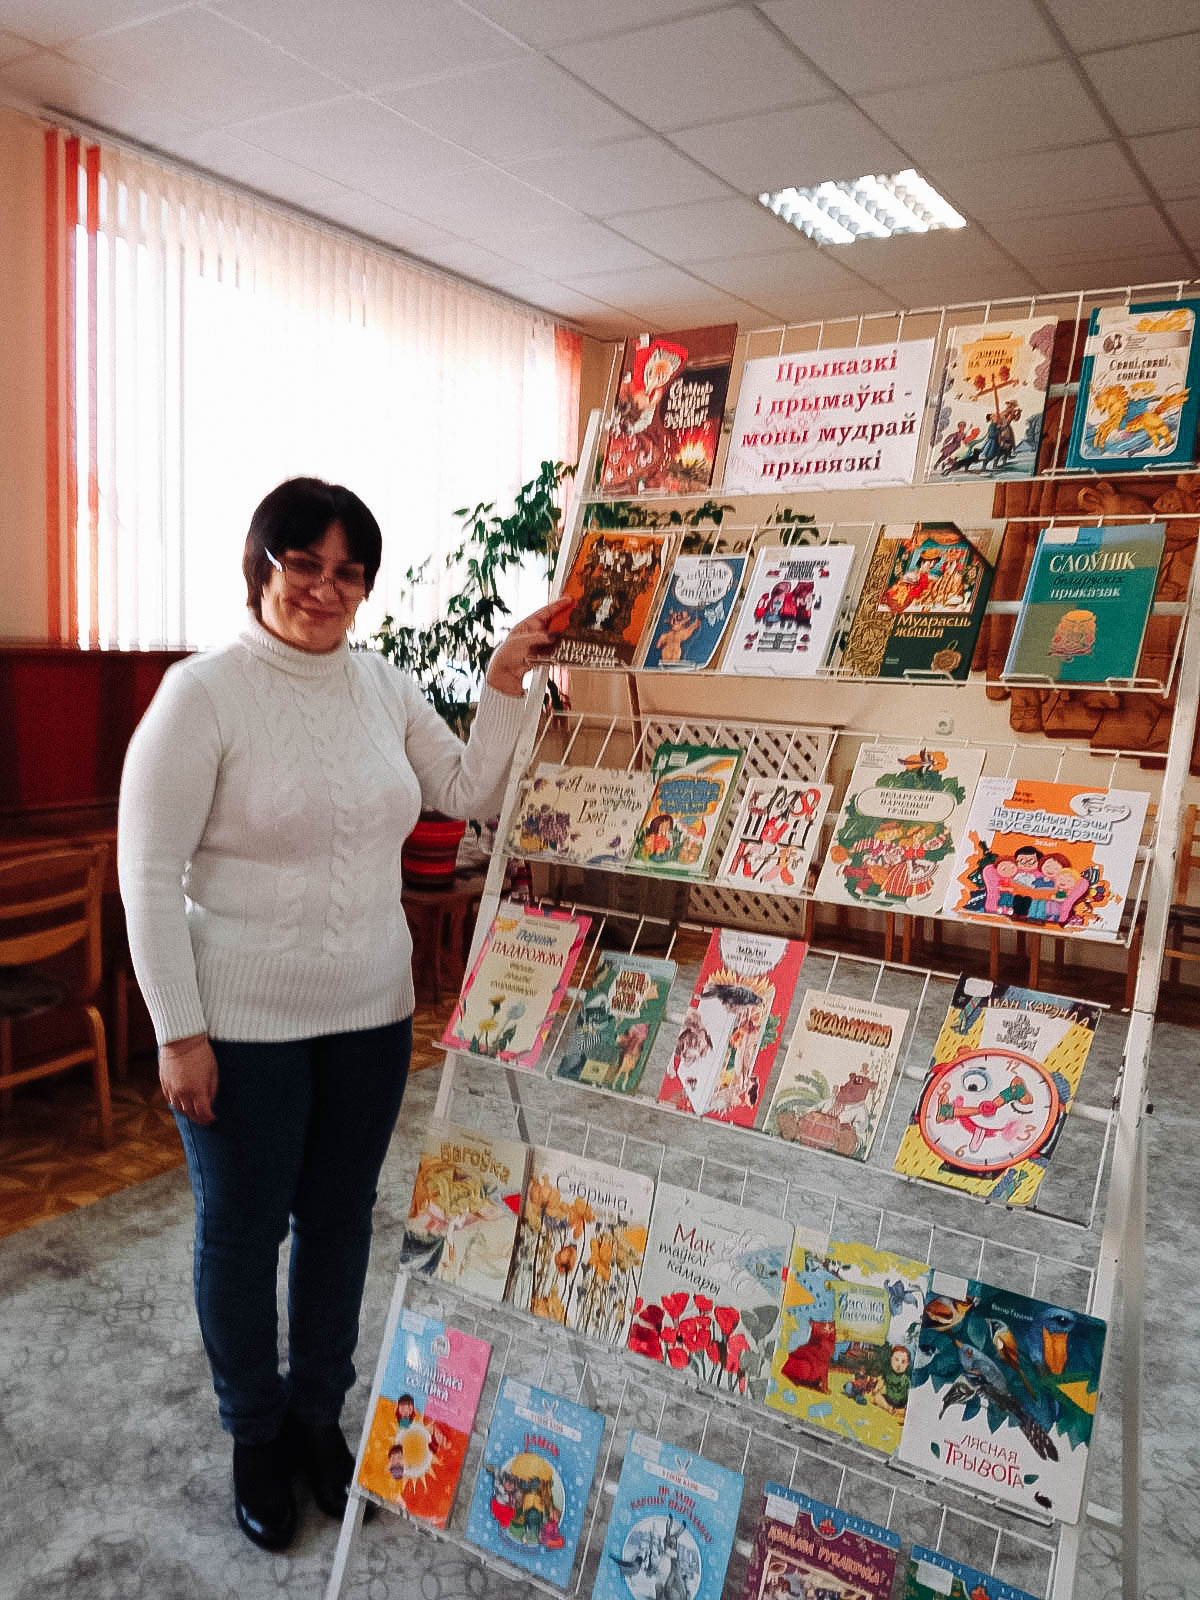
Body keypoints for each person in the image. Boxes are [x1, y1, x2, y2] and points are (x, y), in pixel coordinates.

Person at [117, 476, 569, 1552]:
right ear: (261, 565)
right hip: (238, 1030)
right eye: (303, 564)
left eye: (347, 571)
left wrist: (504, 681)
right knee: (242, 1233)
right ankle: (254, 1431)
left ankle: (319, 1413)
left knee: (338, 1219)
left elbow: (465, 790)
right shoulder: (200, 694)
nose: (324, 588)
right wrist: (179, 1031)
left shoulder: (381, 684)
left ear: (366, 585)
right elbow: (147, 875)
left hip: (371, 1015)